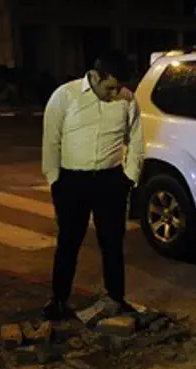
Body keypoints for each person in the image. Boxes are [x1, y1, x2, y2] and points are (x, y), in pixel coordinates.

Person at [41, 50, 144, 321]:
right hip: (72, 181)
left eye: (118, 88)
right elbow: (51, 142)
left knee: (112, 244)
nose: (114, 94)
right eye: (110, 87)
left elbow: (136, 139)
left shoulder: (128, 99)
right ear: (95, 77)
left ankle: (116, 297)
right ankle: (59, 299)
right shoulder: (65, 96)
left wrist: (129, 177)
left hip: (111, 181)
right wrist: (55, 181)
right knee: (68, 243)